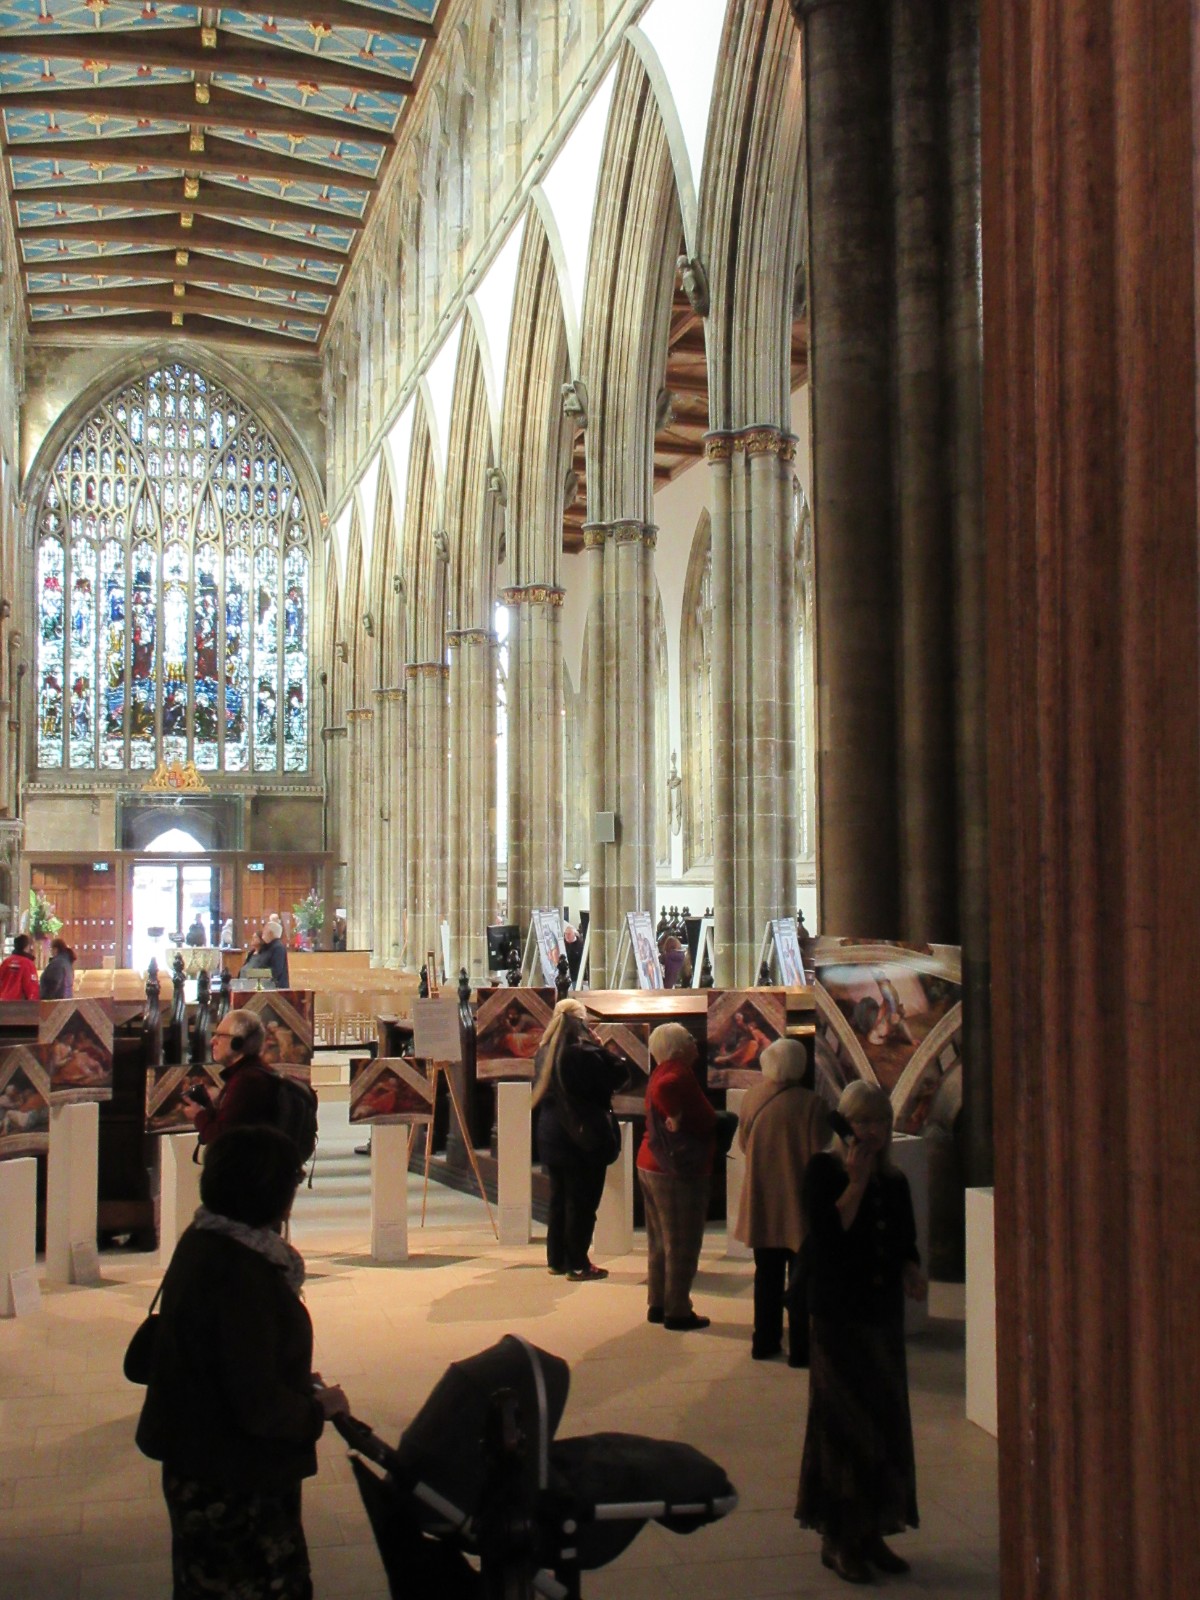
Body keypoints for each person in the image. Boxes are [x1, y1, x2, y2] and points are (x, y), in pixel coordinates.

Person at [136, 1124, 350, 1599]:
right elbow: (255, 1399)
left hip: (199, 1457)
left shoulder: (206, 1237)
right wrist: (315, 1409)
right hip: (234, 1473)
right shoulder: (240, 1272)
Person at [795, 1080, 927, 1584]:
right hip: (838, 1316)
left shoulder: (894, 1181)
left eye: (880, 1122)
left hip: (881, 1315)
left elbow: (904, 1239)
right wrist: (854, 1181)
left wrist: (911, 1268)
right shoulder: (823, 1172)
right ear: (845, 1125)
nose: (872, 1131)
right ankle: (839, 1538)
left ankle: (873, 1531)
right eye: (863, 1121)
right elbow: (828, 1236)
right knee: (842, 1427)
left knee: (884, 1424)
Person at [733, 1037, 828, 1363]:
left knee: (766, 1275)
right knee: (801, 1279)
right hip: (798, 1201)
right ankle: (801, 1349)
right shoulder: (812, 1104)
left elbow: (743, 1143)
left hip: (762, 1197)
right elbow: (820, 1154)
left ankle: (764, 1341)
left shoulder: (752, 1097)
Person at [531, 998, 627, 1281]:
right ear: (582, 1023)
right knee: (582, 1203)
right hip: (581, 1135)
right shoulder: (583, 1053)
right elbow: (620, 1075)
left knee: (559, 1199)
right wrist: (600, 1046)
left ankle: (557, 1260)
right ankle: (577, 1263)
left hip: (551, 1132)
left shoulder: (543, 1051)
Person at [636, 1022, 716, 1331]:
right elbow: (664, 1090)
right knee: (682, 1241)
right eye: (690, 1039)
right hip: (676, 1169)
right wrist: (675, 1114)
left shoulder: (663, 1068)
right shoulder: (677, 1072)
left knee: (659, 1241)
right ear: (678, 1047)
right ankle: (678, 1310)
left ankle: (658, 1303)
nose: (695, 1043)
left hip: (652, 1162)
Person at [181, 1009, 278, 1146]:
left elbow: (222, 1138)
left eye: (220, 1035)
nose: (212, 1041)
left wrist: (198, 1115)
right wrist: (208, 1107)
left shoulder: (248, 1081)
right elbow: (232, 1124)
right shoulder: (250, 1073)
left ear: (237, 1042)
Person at [241, 917, 290, 989]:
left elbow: (276, 970)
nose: (263, 934)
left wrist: (255, 973)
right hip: (265, 986)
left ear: (270, 933)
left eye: (264, 931)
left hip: (275, 988)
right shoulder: (268, 946)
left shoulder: (278, 948)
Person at [0, 933, 40, 1001]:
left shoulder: (6, 962)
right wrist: (34, 1002)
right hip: (18, 1003)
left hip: (3, 1001)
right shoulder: (28, 964)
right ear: (27, 947)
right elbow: (31, 988)